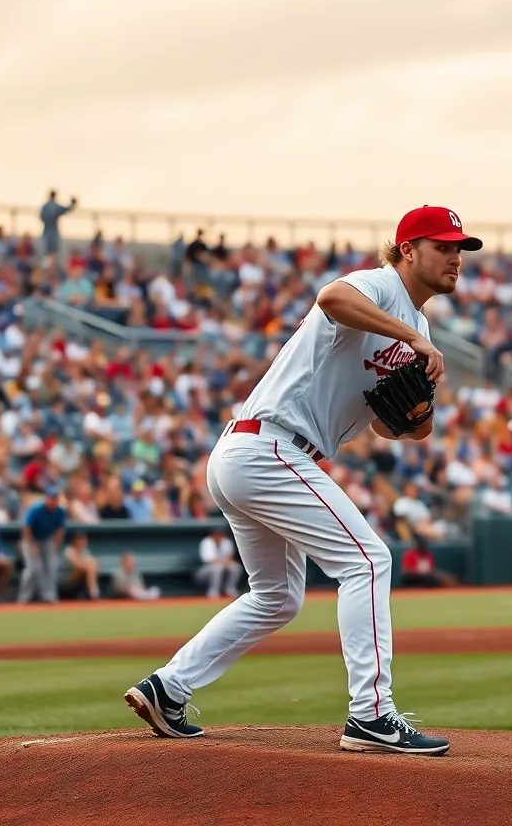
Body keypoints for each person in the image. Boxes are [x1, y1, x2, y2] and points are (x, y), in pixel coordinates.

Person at [124, 205, 480, 756]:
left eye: (460, 248)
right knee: (367, 560)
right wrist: (413, 339)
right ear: (408, 251)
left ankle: (167, 688)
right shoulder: (380, 286)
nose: (456, 257)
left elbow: (390, 426)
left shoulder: (418, 327)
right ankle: (372, 715)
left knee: (277, 597)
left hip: (255, 454)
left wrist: (418, 416)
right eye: (443, 246)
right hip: (271, 447)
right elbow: (331, 298)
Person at [18, 485, 67, 604]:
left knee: (52, 565)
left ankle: (49, 596)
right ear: (46, 498)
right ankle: (24, 598)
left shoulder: (59, 511)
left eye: (55, 498)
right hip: (31, 539)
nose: (52, 500)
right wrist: (32, 546)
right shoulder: (36, 508)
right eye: (51, 498)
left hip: (47, 539)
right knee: (33, 568)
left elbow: (60, 530)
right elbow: (26, 527)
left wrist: (56, 546)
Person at [195, 526, 242, 599]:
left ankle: (230, 590)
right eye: (217, 534)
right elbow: (210, 560)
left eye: (220, 534)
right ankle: (213, 591)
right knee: (217, 568)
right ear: (212, 534)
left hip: (223, 566)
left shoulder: (226, 541)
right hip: (205, 571)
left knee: (235, 567)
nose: (219, 535)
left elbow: (229, 557)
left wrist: (226, 563)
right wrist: (224, 563)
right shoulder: (206, 542)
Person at [61, 531, 101, 600]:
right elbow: (77, 565)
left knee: (92, 563)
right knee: (90, 565)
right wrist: (89, 565)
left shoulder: (86, 551)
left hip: (80, 581)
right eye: (79, 539)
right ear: (74, 541)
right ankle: (94, 592)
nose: (82, 541)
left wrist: (90, 565)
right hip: (66, 581)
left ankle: (93, 592)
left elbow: (93, 565)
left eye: (83, 539)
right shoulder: (68, 550)